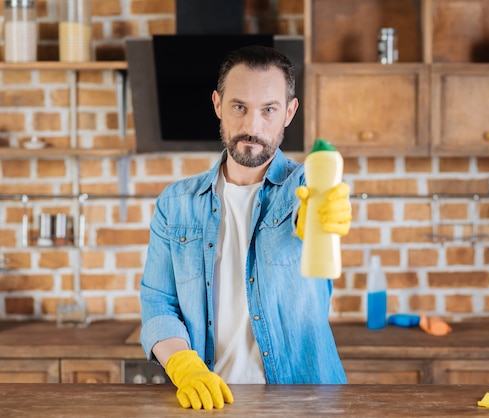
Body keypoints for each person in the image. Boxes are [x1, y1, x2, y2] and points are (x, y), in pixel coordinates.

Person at [140, 45, 352, 410]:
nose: (252, 127)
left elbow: (312, 214)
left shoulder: (308, 186)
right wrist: (184, 367)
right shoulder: (175, 204)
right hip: (210, 402)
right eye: (239, 107)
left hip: (307, 403)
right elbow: (159, 303)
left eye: (268, 110)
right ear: (218, 104)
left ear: (289, 112)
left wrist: (319, 216)